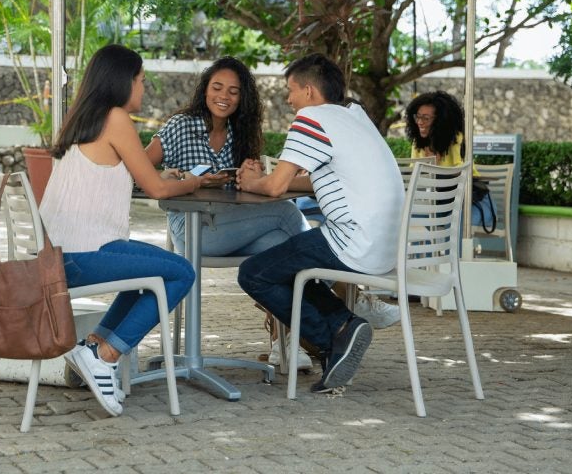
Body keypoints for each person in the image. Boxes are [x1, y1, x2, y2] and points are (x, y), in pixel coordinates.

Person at [39, 44, 207, 417]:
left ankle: (96, 345)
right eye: (142, 81)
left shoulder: (86, 117)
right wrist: (194, 182)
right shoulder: (116, 118)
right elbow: (158, 190)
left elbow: (136, 171)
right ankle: (105, 354)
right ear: (123, 81)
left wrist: (165, 176)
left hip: (60, 254)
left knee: (153, 273)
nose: (144, 90)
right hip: (82, 256)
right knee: (180, 272)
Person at [235, 54, 403, 394]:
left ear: (309, 91)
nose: (288, 99)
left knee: (254, 272)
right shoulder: (355, 117)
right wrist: (266, 179)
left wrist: (251, 181)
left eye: (291, 90)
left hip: (351, 242)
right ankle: (340, 333)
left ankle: (337, 333)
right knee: (286, 268)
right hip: (386, 247)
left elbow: (276, 187)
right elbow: (315, 182)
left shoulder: (311, 117)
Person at [145, 56, 314, 368]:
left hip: (236, 227)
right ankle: (337, 287)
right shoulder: (180, 126)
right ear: (205, 90)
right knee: (285, 213)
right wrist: (182, 179)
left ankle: (283, 340)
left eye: (233, 91)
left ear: (243, 98)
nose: (224, 96)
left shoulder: (242, 132)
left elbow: (248, 189)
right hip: (194, 229)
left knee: (279, 244)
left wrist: (250, 174)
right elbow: (139, 170)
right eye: (217, 87)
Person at [404, 90, 496, 230]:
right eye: (418, 117)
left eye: (426, 118)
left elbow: (462, 171)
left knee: (452, 227)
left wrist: (436, 167)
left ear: (440, 121)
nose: (420, 122)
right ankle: (426, 252)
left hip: (473, 202)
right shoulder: (418, 144)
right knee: (414, 221)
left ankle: (452, 253)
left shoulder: (456, 139)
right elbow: (412, 174)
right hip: (441, 203)